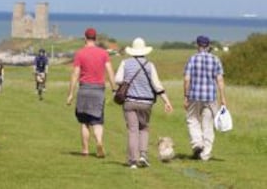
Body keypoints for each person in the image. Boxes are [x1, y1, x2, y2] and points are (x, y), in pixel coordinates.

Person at [115, 37, 173, 169]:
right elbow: (157, 85)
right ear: (144, 51)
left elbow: (117, 79)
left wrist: (127, 81)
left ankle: (133, 161)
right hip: (146, 103)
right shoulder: (149, 65)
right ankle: (143, 155)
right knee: (144, 128)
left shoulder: (125, 63)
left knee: (132, 130)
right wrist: (166, 101)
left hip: (129, 101)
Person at [66, 28, 116, 158]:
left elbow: (75, 74)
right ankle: (99, 141)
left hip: (84, 89)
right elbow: (110, 71)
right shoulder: (103, 53)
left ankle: (85, 150)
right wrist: (114, 88)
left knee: (85, 122)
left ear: (85, 38)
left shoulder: (80, 54)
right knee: (97, 121)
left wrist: (70, 93)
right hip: (98, 90)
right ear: (96, 38)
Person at [184, 35, 227, 161]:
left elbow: (187, 80)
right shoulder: (215, 59)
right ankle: (205, 154)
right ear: (208, 46)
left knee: (192, 120)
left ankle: (197, 143)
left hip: (194, 96)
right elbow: (220, 80)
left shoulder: (192, 59)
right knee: (208, 124)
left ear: (197, 45)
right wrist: (223, 97)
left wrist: (185, 96)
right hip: (210, 97)